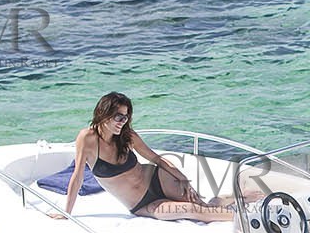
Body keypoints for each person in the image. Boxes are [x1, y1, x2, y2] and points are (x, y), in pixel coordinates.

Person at [62, 92, 252, 221]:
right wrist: (66, 213)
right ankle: (248, 218)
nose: (123, 121)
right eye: (119, 117)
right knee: (197, 212)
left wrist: (182, 178)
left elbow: (156, 159)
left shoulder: (128, 136)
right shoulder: (87, 138)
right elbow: (77, 176)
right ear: (104, 114)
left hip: (157, 178)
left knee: (200, 204)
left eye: (126, 117)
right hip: (142, 204)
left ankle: (235, 201)